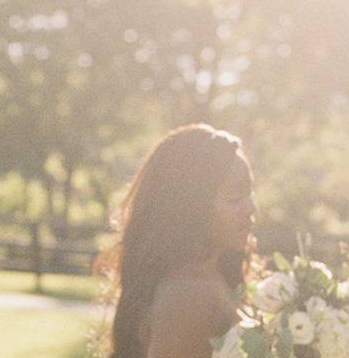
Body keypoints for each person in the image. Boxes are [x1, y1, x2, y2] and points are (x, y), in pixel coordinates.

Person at [94, 123, 257, 358]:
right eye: (234, 197)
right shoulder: (188, 294)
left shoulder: (210, 276)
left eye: (249, 193)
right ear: (192, 205)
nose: (250, 208)